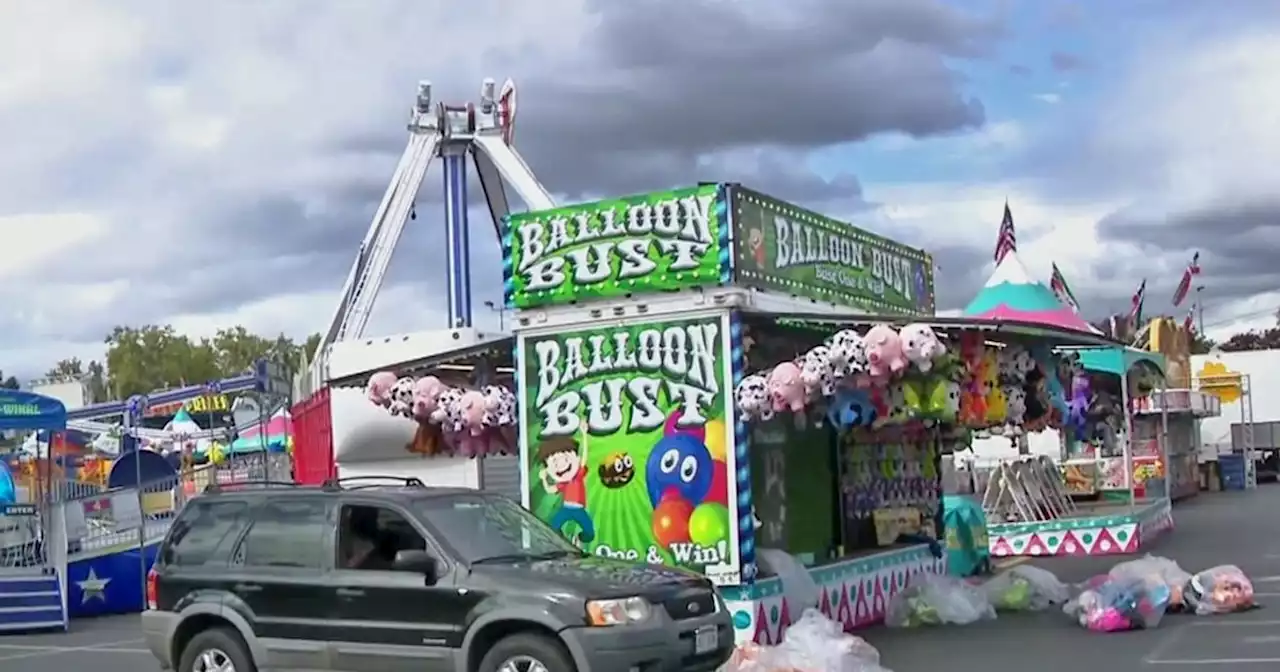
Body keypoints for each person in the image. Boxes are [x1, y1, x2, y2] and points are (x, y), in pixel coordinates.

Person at [536, 435, 594, 544]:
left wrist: (584, 434)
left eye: (566, 459)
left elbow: (584, 457)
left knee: (589, 533)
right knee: (553, 528)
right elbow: (550, 490)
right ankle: (562, 542)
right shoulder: (563, 483)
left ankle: (578, 539)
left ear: (576, 458)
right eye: (555, 463)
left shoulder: (578, 476)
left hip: (579, 510)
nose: (562, 465)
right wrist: (544, 479)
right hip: (566, 508)